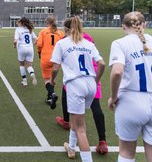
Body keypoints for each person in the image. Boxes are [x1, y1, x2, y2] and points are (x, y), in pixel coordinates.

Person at [50, 17, 105, 162]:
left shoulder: (62, 43)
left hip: (76, 85)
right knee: (76, 120)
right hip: (90, 84)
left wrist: (52, 80)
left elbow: (55, 67)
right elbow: (102, 64)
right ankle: (71, 147)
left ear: (66, 29)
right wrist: (96, 81)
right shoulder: (88, 43)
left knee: (81, 128)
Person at [108, 12, 152, 162]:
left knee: (126, 154)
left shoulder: (120, 43)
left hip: (130, 101)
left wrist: (113, 97)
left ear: (123, 27)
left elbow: (117, 72)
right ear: (144, 25)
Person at [36, 16, 64, 109]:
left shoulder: (43, 32)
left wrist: (39, 52)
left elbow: (39, 44)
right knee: (53, 78)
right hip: (57, 58)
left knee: (47, 80)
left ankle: (52, 94)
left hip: (46, 57)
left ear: (47, 23)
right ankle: (49, 98)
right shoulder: (60, 33)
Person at [13, 17, 37, 86]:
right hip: (30, 48)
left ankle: (25, 81)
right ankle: (32, 74)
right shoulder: (29, 29)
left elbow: (15, 40)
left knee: (22, 64)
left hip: (21, 48)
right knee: (29, 65)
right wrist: (32, 45)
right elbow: (36, 39)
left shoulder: (18, 29)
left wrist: (14, 45)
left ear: (21, 23)